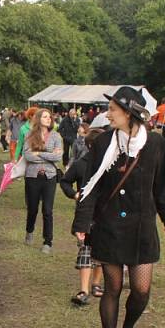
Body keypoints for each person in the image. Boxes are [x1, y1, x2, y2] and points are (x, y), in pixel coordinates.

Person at [72, 87, 165, 328]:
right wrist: (82, 223)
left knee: (141, 289)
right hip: (109, 225)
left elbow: (161, 187)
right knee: (112, 287)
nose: (108, 114)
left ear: (129, 113)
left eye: (113, 110)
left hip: (142, 228)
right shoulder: (103, 142)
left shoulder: (155, 144)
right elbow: (90, 185)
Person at [60, 128, 104, 305]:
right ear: (93, 145)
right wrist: (74, 194)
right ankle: (84, 289)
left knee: (102, 249)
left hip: (103, 214)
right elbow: (64, 181)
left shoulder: (109, 165)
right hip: (86, 214)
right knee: (86, 250)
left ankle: (96, 283)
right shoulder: (80, 165)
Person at [22, 109, 63, 255]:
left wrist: (39, 153)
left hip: (50, 177)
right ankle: (29, 230)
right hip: (32, 176)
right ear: (38, 119)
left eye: (49, 117)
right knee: (32, 208)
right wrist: (48, 155)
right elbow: (27, 155)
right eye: (45, 117)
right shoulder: (29, 135)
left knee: (48, 210)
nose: (48, 119)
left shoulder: (56, 136)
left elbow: (58, 156)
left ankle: (47, 242)